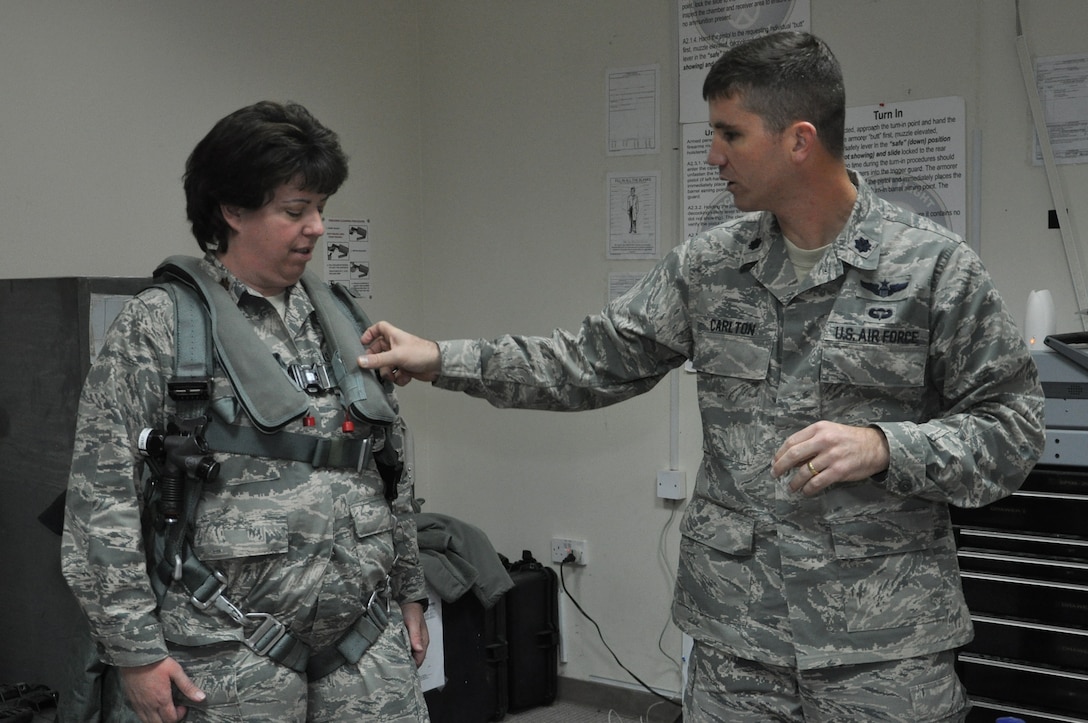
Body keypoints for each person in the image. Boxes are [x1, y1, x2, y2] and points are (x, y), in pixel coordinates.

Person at [357, 32, 1045, 722]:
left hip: (883, 647)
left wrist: (886, 446)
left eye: (730, 133)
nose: (712, 155)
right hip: (737, 643)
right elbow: (587, 362)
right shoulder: (711, 266)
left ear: (799, 141)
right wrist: (443, 358)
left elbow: (1014, 431)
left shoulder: (933, 269)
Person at [61, 101, 430, 723]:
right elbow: (102, 502)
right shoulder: (159, 327)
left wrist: (410, 591)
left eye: (320, 209)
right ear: (232, 210)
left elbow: (387, 465)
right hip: (223, 647)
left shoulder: (339, 318)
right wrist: (134, 652)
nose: (316, 227)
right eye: (295, 210)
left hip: (365, 643)